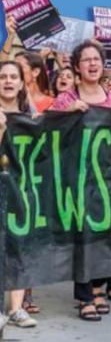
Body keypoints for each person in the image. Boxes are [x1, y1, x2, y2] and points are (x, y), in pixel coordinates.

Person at [51, 40, 111, 321]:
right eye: (86, 60)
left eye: (97, 59)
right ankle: (84, 296)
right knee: (82, 237)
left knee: (103, 234)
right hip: (76, 180)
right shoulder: (66, 99)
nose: (93, 64)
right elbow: (49, 132)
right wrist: (67, 113)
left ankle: (98, 287)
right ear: (76, 67)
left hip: (107, 179)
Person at [0, 61, 38, 328]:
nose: (8, 81)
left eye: (14, 76)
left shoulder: (31, 115)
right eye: (2, 77)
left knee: (20, 245)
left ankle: (16, 308)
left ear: (23, 83)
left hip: (23, 187)